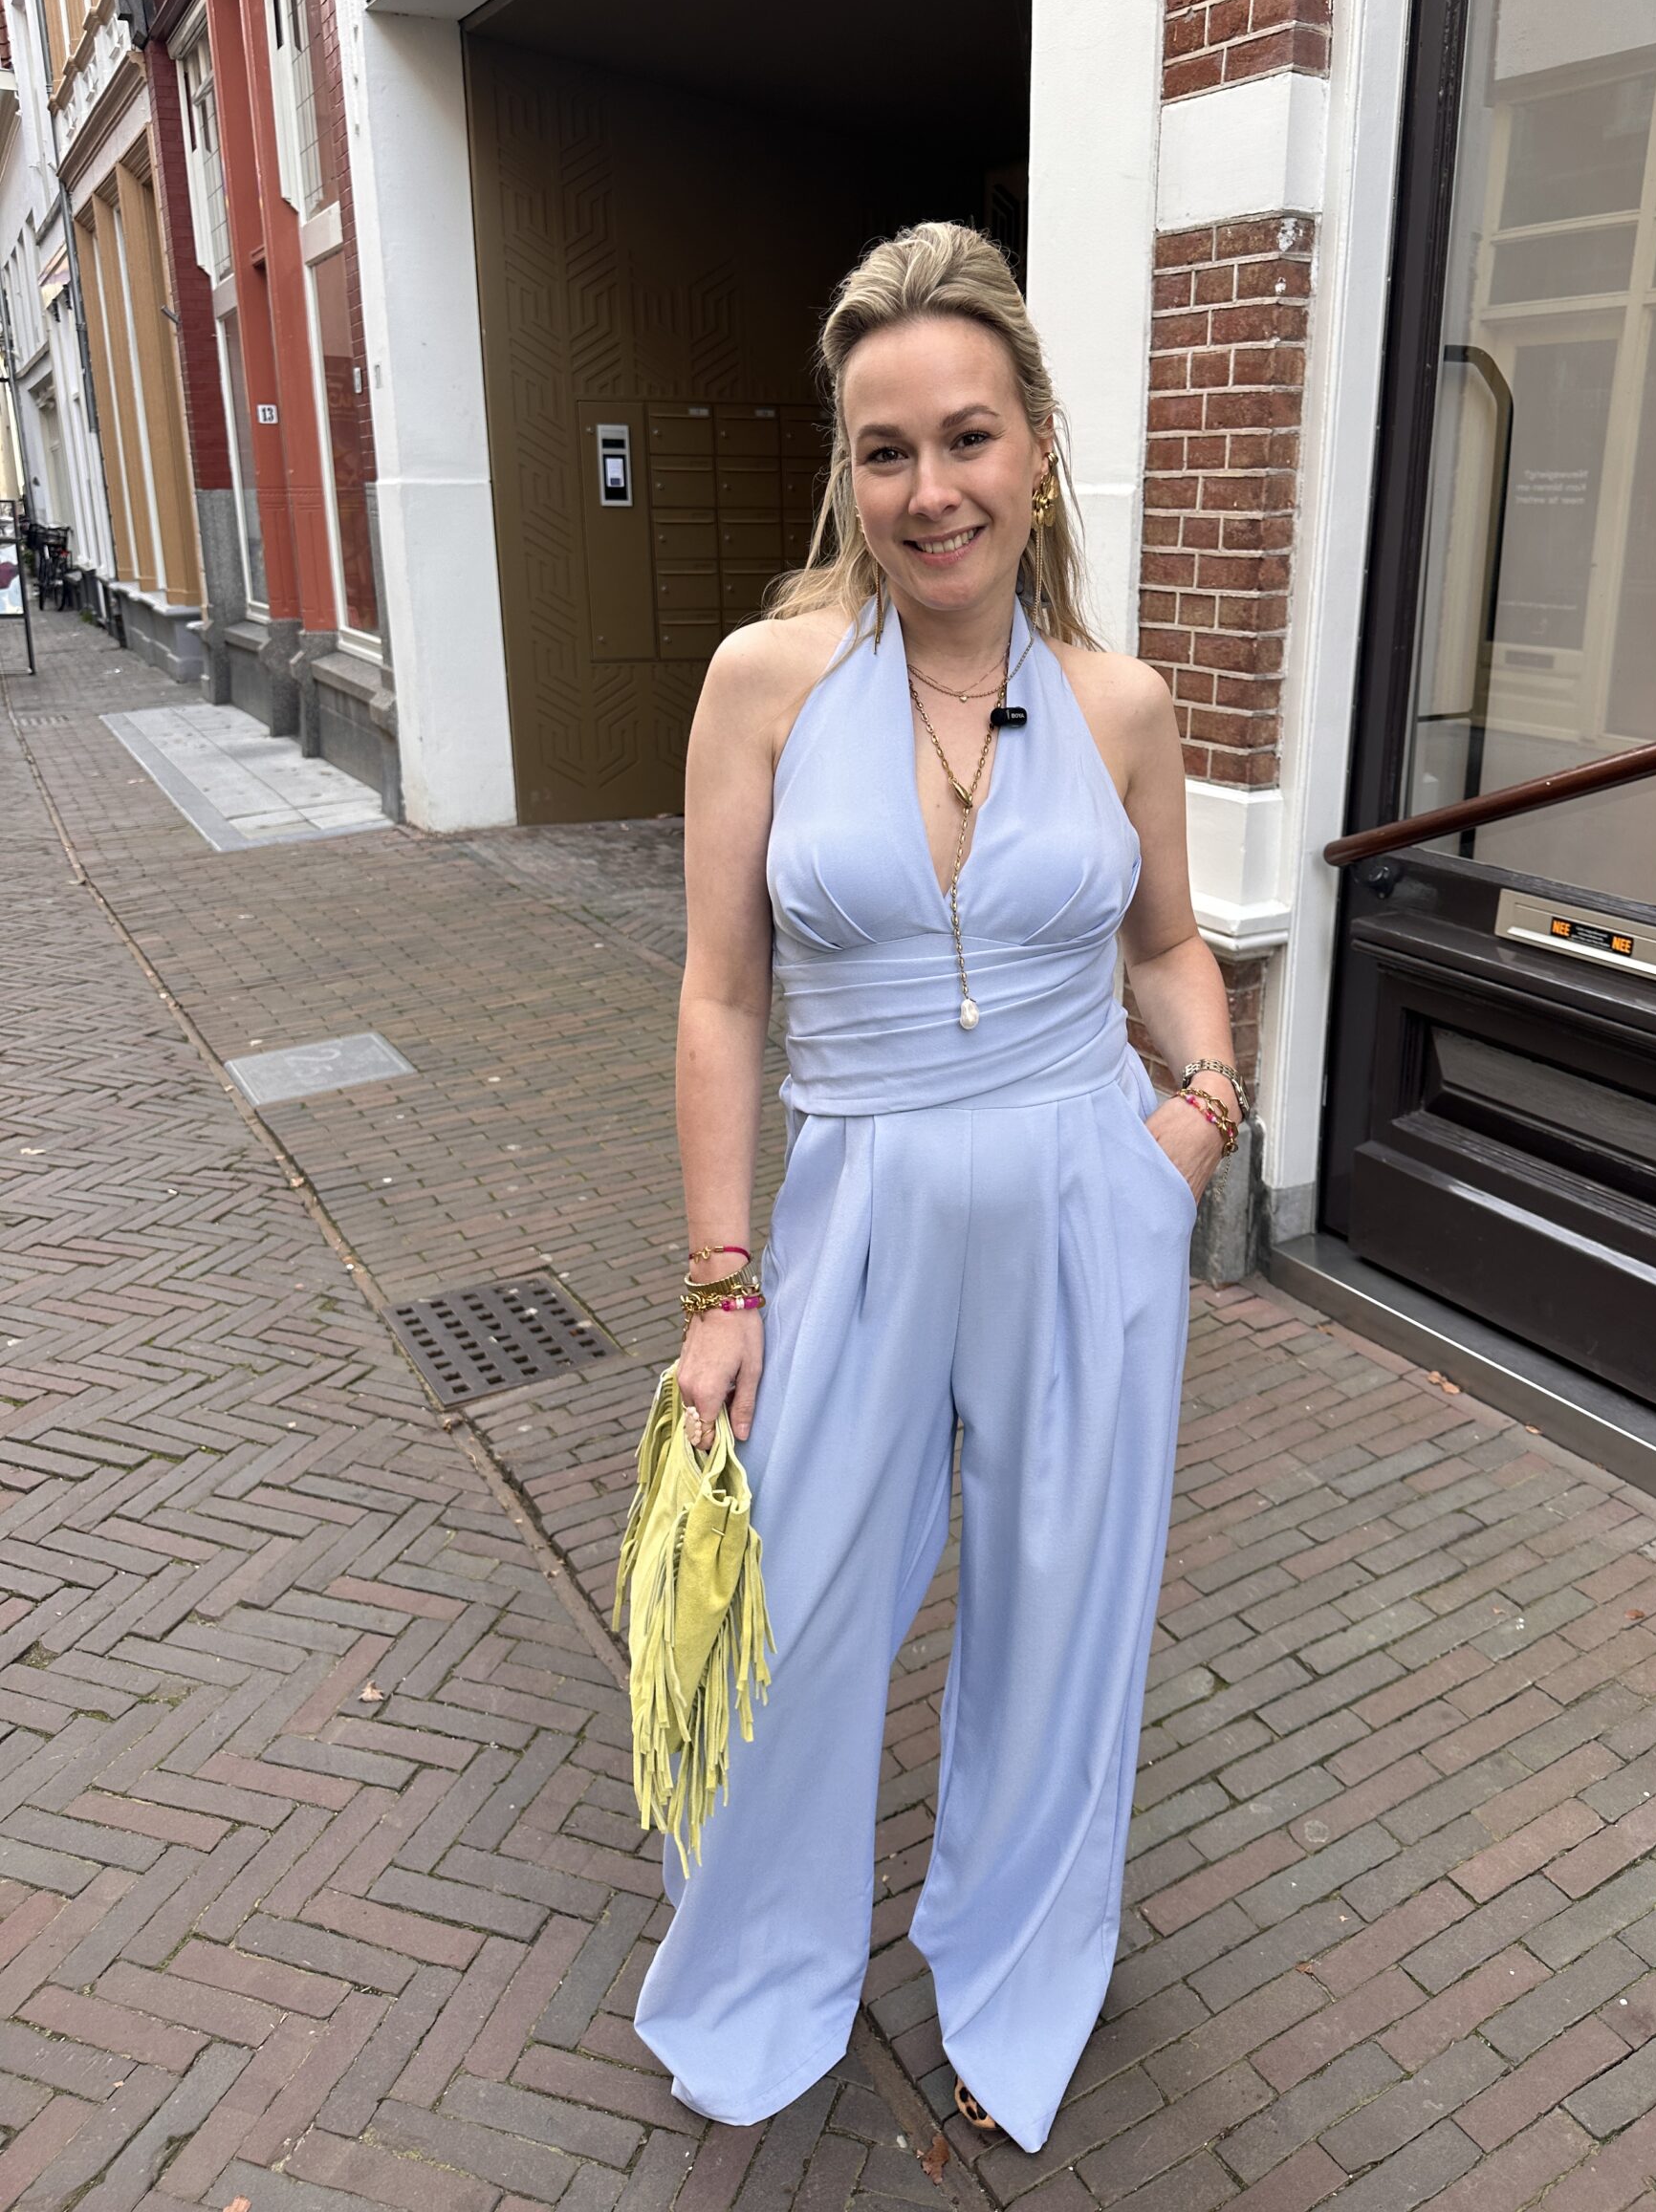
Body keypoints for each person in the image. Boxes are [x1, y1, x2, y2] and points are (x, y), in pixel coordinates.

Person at [634, 223, 1245, 2154]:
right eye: (885, 449)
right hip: (861, 1216)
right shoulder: (767, 683)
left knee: (1065, 1621)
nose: (930, 490)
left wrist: (1200, 1113)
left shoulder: (1120, 703)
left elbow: (1167, 944)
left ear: (1037, 447)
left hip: (1087, 1204)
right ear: (850, 468)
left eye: (967, 437)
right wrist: (723, 1283)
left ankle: (1016, 1965)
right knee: (799, 1612)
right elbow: (722, 994)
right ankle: (763, 1966)